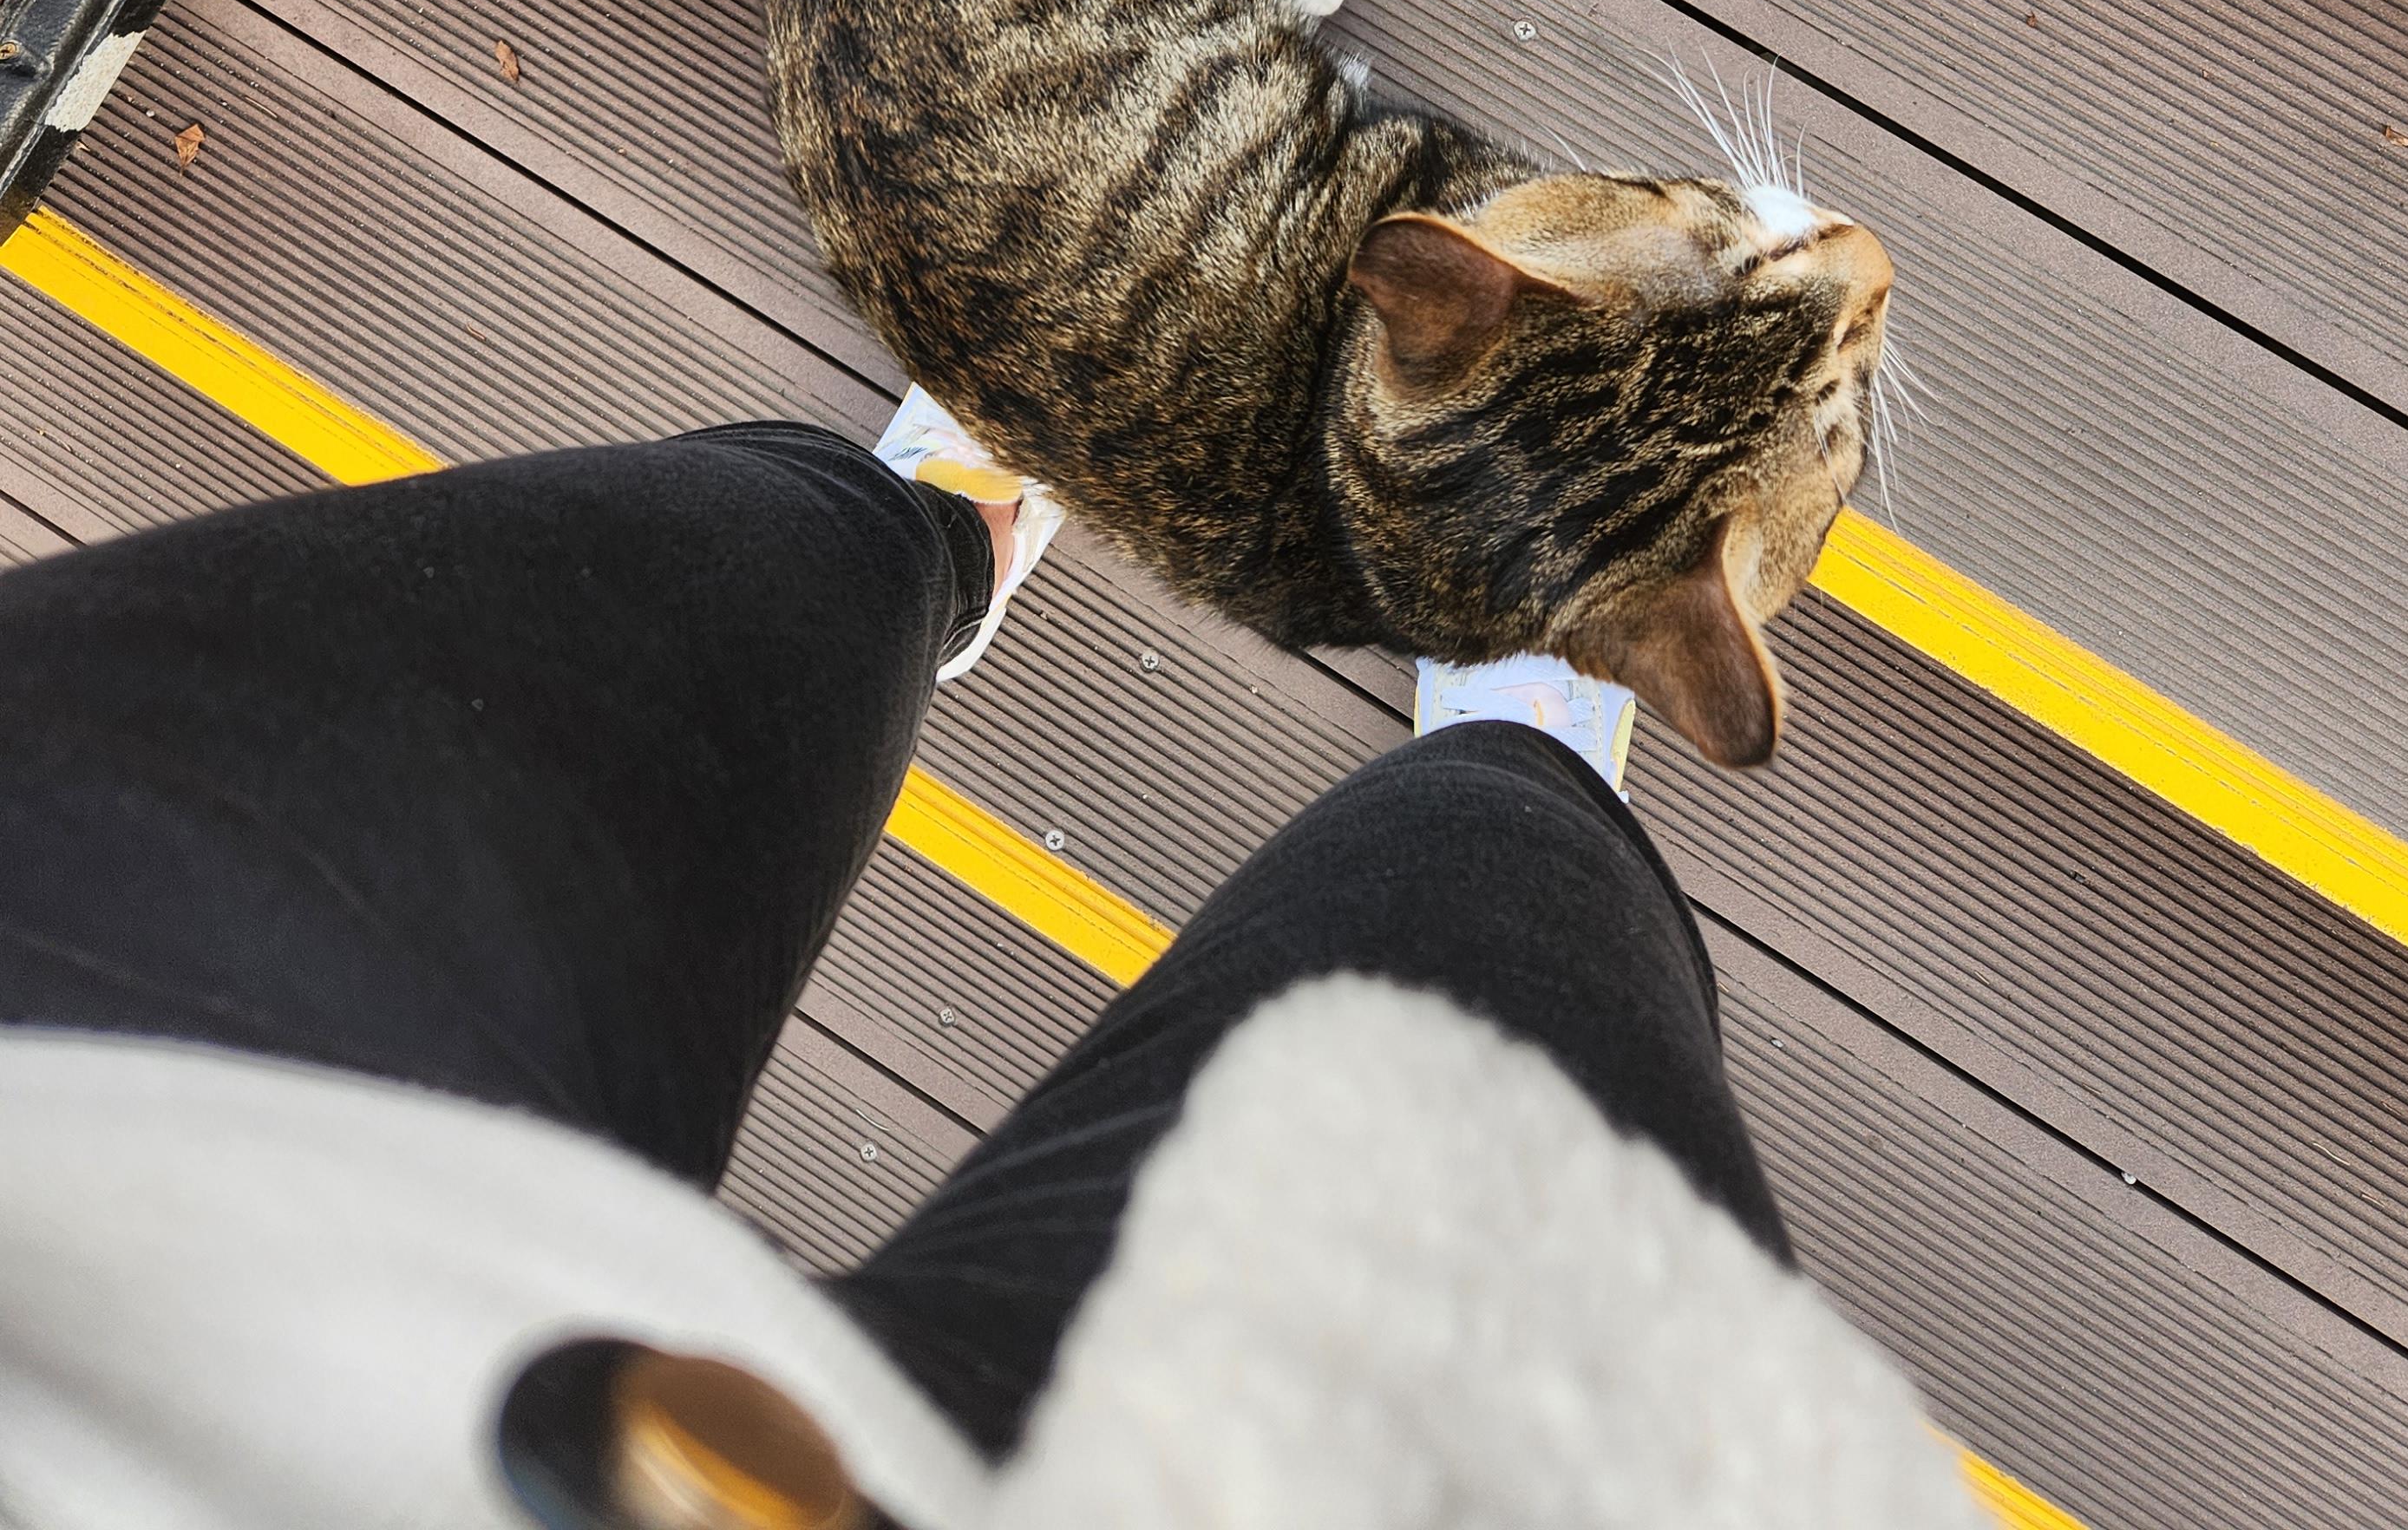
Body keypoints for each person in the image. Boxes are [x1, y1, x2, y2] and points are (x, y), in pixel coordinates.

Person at [0, 405, 1979, 1527]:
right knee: (1491, 977)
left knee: (730, 584)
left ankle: (944, 530)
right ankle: (1520, 736)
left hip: (70, 1132)